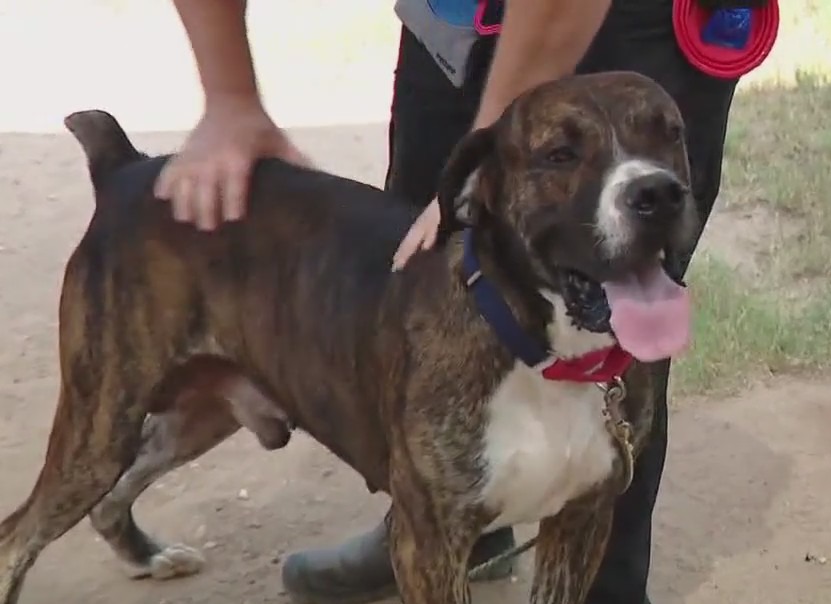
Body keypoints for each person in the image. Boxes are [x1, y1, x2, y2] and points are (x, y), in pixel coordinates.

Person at [158, 0, 754, 602]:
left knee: (620, 295)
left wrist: (493, 144)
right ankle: (442, 518)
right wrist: (229, 93)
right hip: (454, 17)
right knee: (426, 283)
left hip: (640, 20)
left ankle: (605, 589)